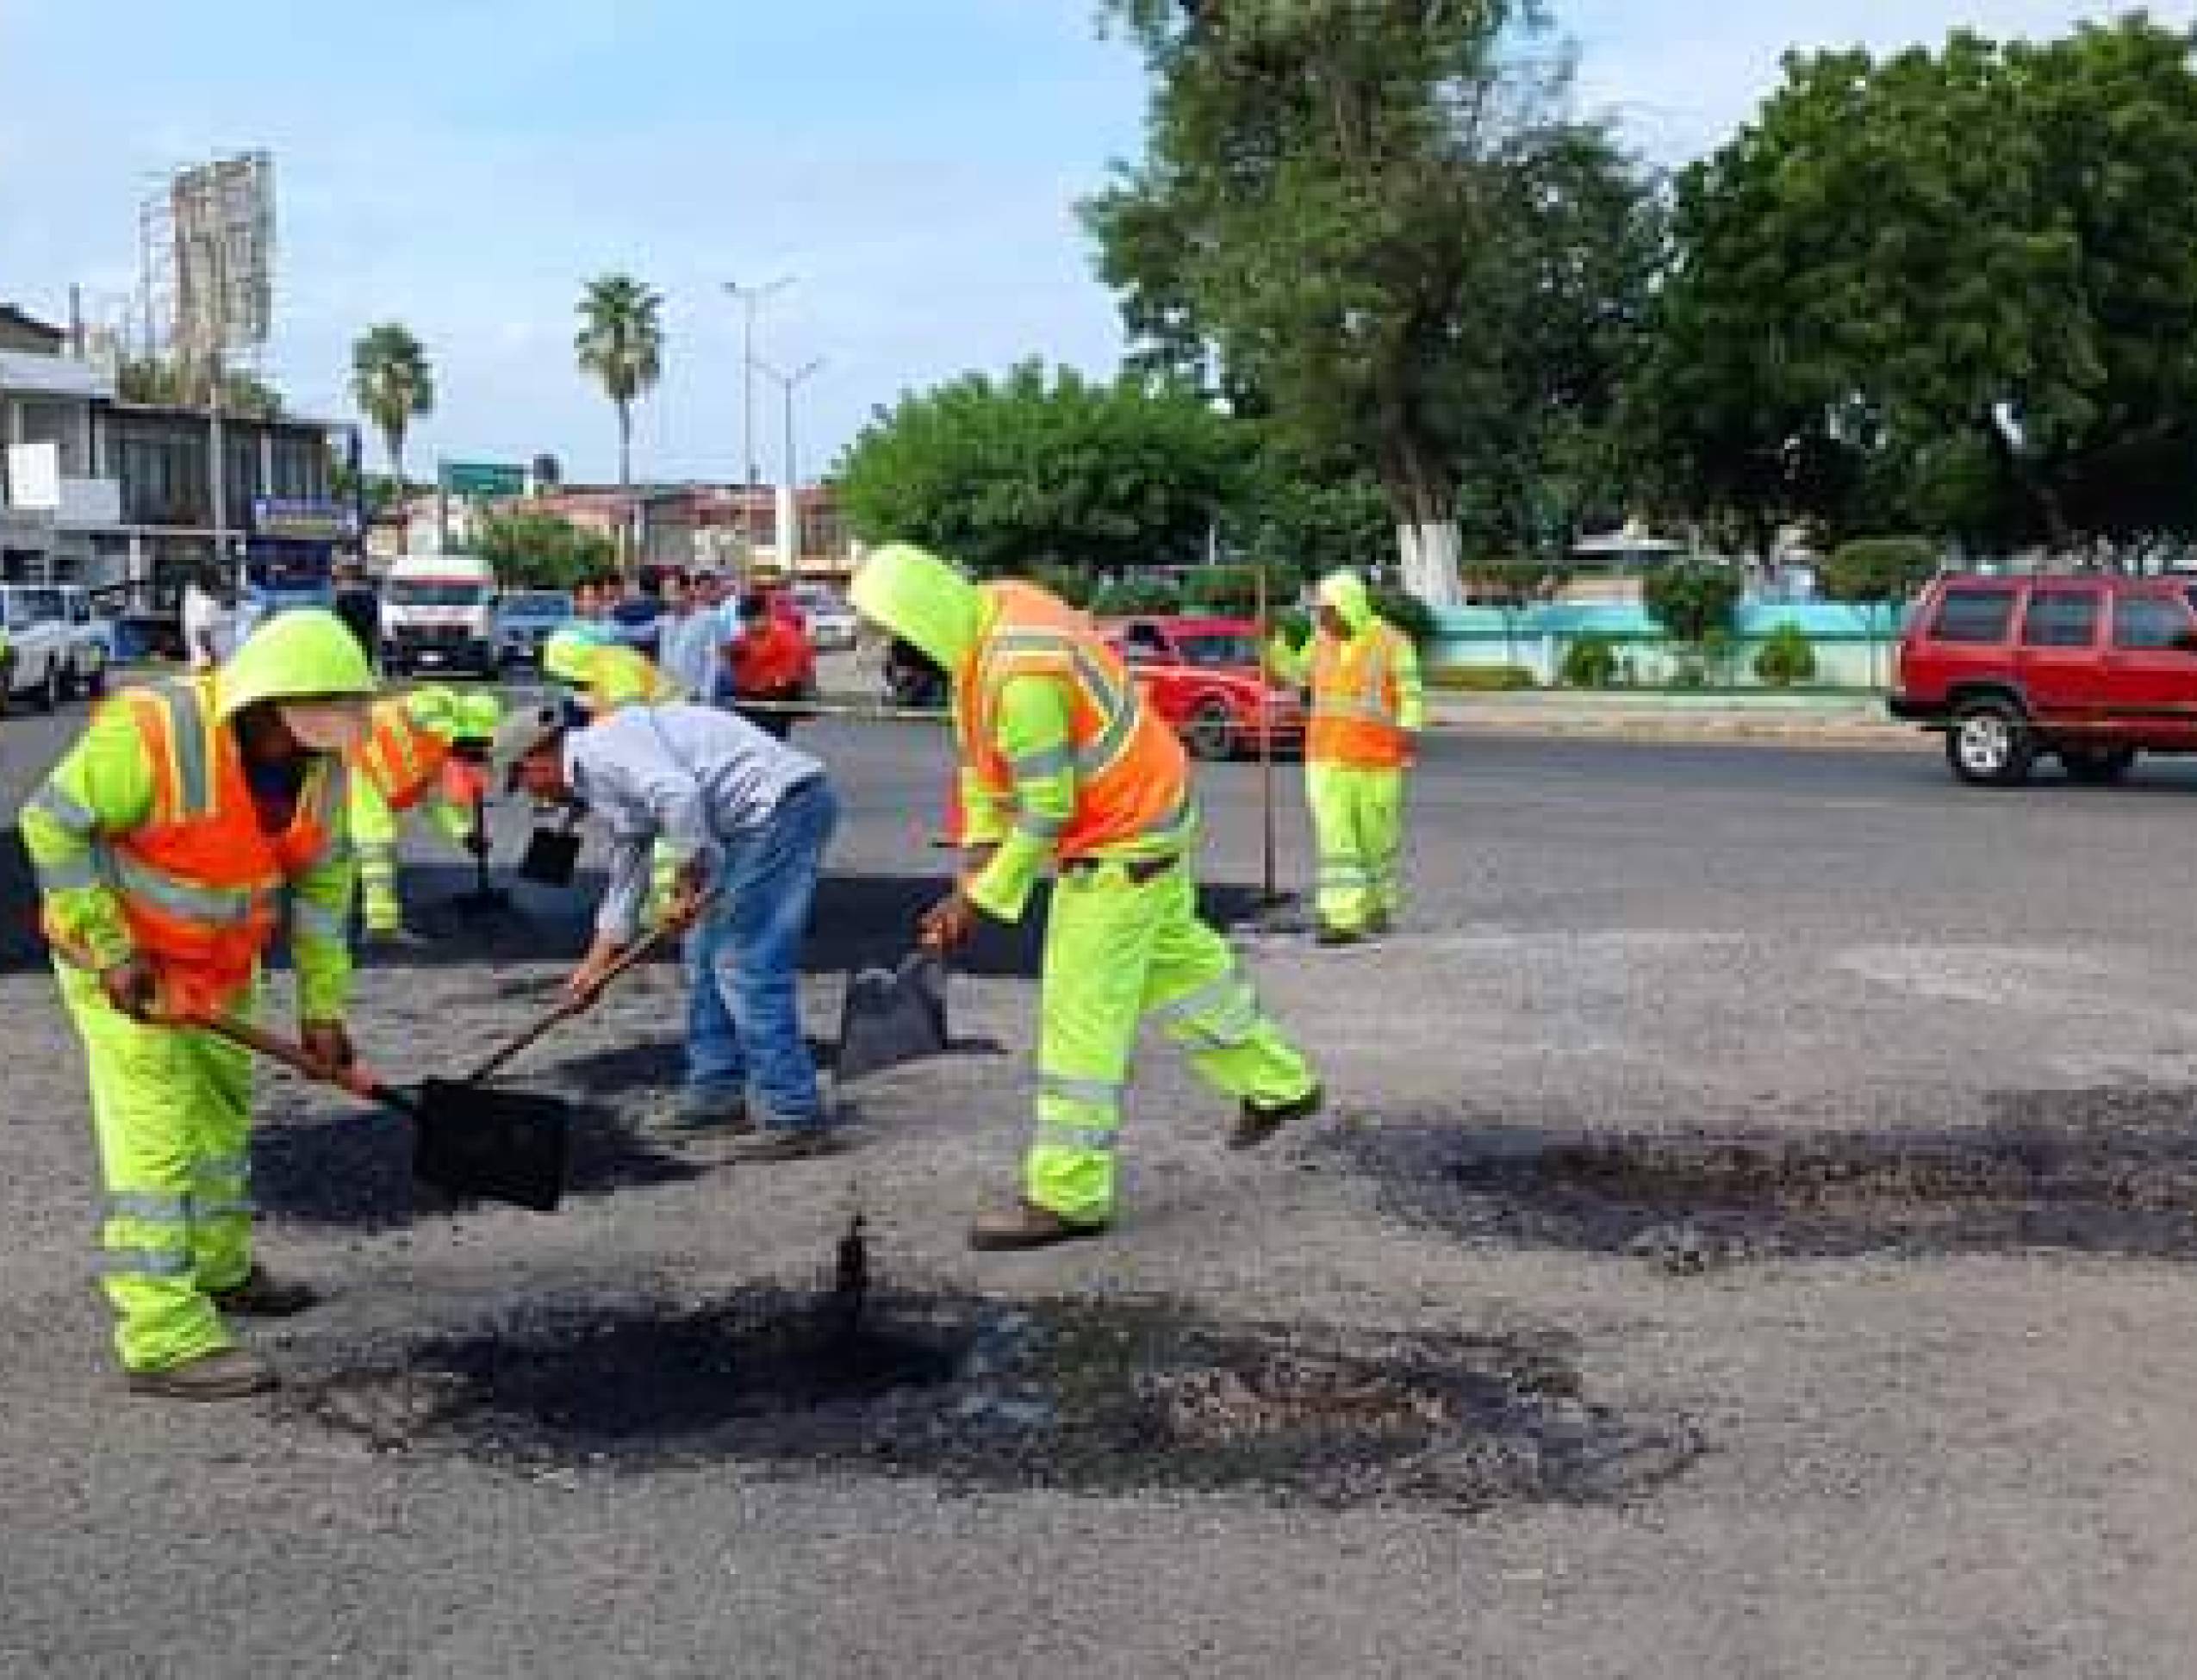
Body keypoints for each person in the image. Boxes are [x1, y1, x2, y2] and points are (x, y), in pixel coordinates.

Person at [849, 543, 1323, 1251]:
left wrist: (982, 901)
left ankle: (1067, 1194)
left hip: (1116, 844)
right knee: (1190, 977)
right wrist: (972, 871)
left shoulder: (1018, 677)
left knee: (1080, 1023)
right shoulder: (991, 617)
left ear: (923, 622)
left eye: (893, 636)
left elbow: (1046, 808)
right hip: (1154, 820)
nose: (891, 652)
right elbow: (985, 769)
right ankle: (1283, 1085)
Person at [19, 610, 377, 1400]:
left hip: (220, 970)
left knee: (221, 1117)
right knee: (158, 1136)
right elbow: (51, 825)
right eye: (298, 729)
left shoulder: (325, 766)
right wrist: (111, 949)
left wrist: (323, 1009)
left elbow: (322, 892)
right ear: (254, 705)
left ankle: (220, 1270)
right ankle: (162, 1333)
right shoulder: (155, 730)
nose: (311, 748)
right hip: (126, 969)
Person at [512, 641, 843, 1159]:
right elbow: (627, 876)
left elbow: (679, 796)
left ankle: (794, 1113)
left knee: (745, 961)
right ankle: (716, 1092)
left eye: (524, 781)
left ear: (538, 759)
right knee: (702, 953)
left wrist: (689, 879)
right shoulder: (598, 780)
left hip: (783, 809)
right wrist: (593, 970)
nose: (534, 797)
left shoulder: (605, 750)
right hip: (746, 825)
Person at [1267, 570, 1426, 945]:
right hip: (1326, 759)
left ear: (1348, 608)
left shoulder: (1393, 643)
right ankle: (1342, 918)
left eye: (1326, 611)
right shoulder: (1320, 641)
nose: (1320, 619)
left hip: (1377, 762)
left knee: (1377, 844)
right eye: (1318, 612)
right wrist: (1270, 646)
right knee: (1337, 843)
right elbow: (1295, 676)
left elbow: (1412, 696)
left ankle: (1378, 906)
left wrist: (1407, 734)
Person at [346, 687, 504, 940]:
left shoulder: (438, 753)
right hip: (356, 766)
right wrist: (457, 739)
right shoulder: (439, 701)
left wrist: (465, 834)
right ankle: (381, 926)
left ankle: (374, 920)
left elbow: (435, 800)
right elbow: (419, 711)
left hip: (370, 780)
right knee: (376, 845)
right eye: (477, 740)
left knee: (367, 848)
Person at [725, 588, 816, 739]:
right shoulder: (745, 637)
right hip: (748, 701)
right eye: (744, 621)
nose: (748, 626)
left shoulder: (786, 637)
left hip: (775, 702)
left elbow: (788, 674)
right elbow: (735, 663)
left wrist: (761, 685)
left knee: (771, 743)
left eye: (751, 620)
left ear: (765, 616)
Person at [180, 566, 235, 671]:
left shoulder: (206, 599)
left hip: (204, 632)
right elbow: (198, 625)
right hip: (199, 630)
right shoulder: (196, 595)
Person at [332, 563, 381, 669]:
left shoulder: (343, 592)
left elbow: (338, 614)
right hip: (364, 626)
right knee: (366, 652)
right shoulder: (368, 591)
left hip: (353, 627)